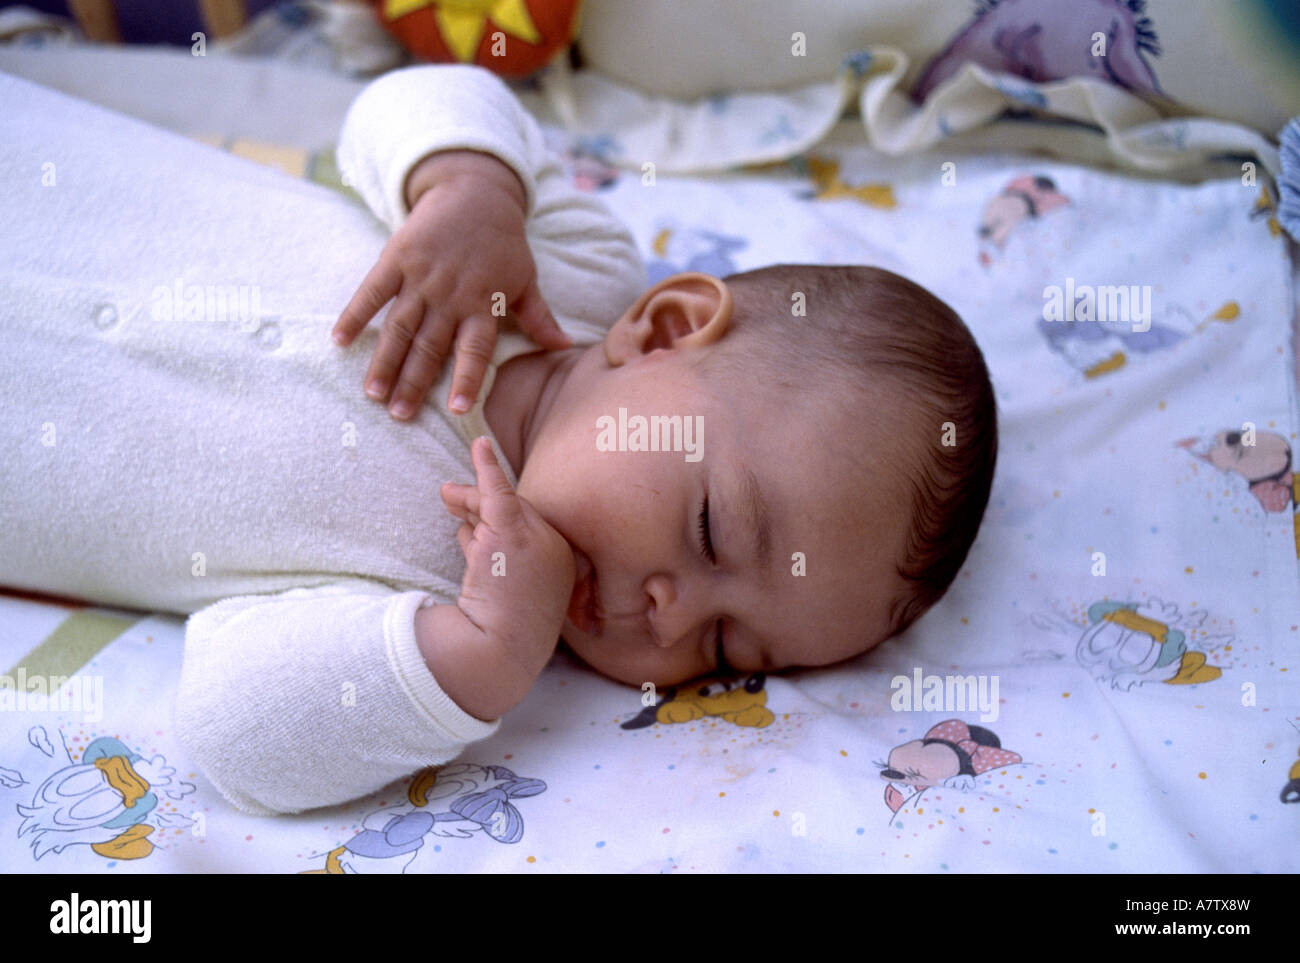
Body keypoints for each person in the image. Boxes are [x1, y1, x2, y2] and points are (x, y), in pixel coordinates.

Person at [0, 64, 995, 816]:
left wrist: (474, 659)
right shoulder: (563, 273)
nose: (669, 614)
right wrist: (470, 188)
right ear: (662, 331)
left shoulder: (426, 603)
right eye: (706, 525)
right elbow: (415, 97)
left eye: (726, 644)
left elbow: (234, 736)